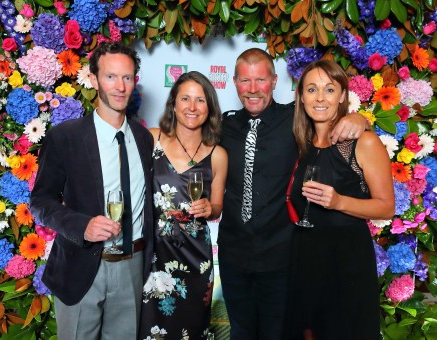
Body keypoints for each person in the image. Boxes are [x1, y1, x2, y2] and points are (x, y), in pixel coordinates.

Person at [218, 48, 370, 339]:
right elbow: (184, 133)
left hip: (281, 255)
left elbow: (331, 119)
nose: (253, 89)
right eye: (245, 81)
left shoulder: (296, 120)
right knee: (240, 332)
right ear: (234, 82)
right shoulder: (223, 125)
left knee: (281, 333)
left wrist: (360, 119)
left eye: (260, 80)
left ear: (274, 81)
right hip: (233, 253)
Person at [30, 42, 154, 339]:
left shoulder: (144, 138)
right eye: (111, 77)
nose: (120, 86)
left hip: (132, 266)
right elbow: (40, 200)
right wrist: (81, 226)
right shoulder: (65, 137)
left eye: (127, 77)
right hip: (81, 266)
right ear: (95, 79)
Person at [286, 60, 395, 339]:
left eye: (329, 89)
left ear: (343, 95)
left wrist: (339, 202)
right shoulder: (301, 142)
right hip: (305, 260)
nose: (320, 98)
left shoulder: (363, 143)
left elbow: (386, 207)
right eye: (312, 89)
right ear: (301, 96)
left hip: (347, 263)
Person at [138, 71, 228, 339]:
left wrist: (209, 209)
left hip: (194, 256)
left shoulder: (218, 154)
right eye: (185, 98)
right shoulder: (152, 139)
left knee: (191, 329)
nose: (192, 107)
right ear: (173, 104)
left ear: (209, 107)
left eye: (200, 100)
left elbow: (218, 206)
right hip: (153, 254)